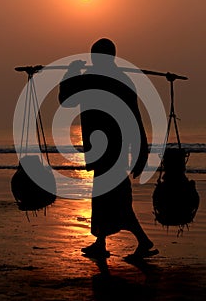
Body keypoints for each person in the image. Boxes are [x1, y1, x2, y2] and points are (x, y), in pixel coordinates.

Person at [59, 38, 158, 259]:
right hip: (115, 149)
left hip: (108, 150)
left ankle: (144, 241)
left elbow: (65, 99)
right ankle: (101, 243)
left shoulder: (91, 79)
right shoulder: (122, 80)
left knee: (117, 200)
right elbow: (136, 118)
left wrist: (70, 73)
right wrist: (141, 152)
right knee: (104, 198)